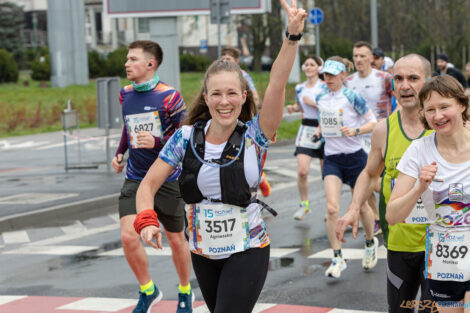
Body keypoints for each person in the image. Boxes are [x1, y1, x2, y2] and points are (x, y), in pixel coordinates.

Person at [134, 2, 307, 312]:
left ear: (243, 97)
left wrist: (291, 37)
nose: (224, 102)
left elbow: (278, 84)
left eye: (231, 94)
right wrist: (146, 221)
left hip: (248, 248)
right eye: (216, 94)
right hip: (202, 252)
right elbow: (147, 186)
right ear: (205, 97)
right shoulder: (185, 138)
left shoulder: (255, 134)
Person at [336, 54, 434, 313]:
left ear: (428, 82)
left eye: (413, 78)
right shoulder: (383, 129)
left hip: (440, 243)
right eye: (398, 78)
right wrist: (354, 207)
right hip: (399, 244)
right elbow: (369, 174)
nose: (404, 86)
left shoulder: (444, 126)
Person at [111, 40, 193, 313]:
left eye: (133, 59)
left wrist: (158, 141)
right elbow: (128, 126)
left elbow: (185, 136)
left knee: (175, 239)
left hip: (167, 177)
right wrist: (120, 152)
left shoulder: (170, 96)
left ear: (150, 64)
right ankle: (148, 290)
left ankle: (185, 291)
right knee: (127, 236)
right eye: (127, 58)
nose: (127, 63)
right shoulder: (125, 95)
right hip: (135, 177)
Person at [386, 74, 470, 312]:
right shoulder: (419, 151)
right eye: (430, 109)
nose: (438, 116)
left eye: (445, 107)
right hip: (445, 260)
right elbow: (392, 215)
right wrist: (420, 188)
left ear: (462, 105)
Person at [314, 56, 378, 278]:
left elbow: (373, 122)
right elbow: (325, 118)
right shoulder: (320, 96)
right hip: (332, 158)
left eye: (332, 75)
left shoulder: (352, 97)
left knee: (360, 207)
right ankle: (337, 257)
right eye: (325, 76)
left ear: (343, 75)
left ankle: (370, 243)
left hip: (355, 158)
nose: (328, 79)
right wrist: (319, 130)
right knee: (332, 208)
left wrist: (356, 131)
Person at [345, 41, 394, 235]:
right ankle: (375, 217)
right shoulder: (348, 81)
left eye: (363, 56)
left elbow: (399, 99)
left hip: (383, 133)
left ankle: (397, 206)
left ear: (371, 58)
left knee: (380, 180)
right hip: (359, 137)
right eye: (356, 56)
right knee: (364, 176)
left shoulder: (384, 78)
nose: (358, 59)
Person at [221, 46, 272, 197]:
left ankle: (258, 179)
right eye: (223, 59)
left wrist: (251, 115)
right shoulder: (218, 75)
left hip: (241, 121)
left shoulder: (243, 75)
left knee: (243, 156)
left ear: (236, 61)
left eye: (228, 59)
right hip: (224, 120)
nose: (225, 61)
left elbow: (254, 97)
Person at [286, 55, 326, 220]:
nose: (309, 67)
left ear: (319, 68)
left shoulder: (324, 87)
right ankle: (304, 205)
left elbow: (330, 107)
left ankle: (331, 207)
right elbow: (299, 105)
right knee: (302, 171)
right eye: (306, 64)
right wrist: (293, 108)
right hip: (306, 130)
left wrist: (313, 103)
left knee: (327, 175)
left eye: (312, 64)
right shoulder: (300, 88)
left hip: (324, 128)